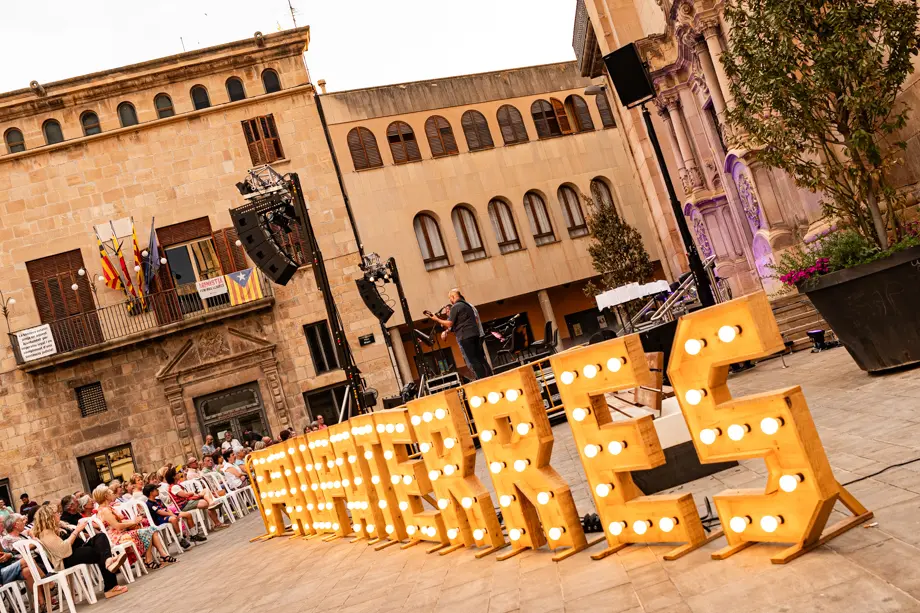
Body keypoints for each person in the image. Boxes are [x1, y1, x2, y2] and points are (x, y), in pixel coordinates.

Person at [32, 505, 126, 600]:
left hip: (76, 549)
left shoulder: (58, 526)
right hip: (66, 559)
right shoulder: (46, 533)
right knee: (97, 552)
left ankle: (108, 561)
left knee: (100, 537)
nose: (59, 514)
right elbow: (63, 550)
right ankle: (110, 583)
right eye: (56, 513)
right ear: (49, 517)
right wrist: (76, 531)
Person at [93, 485, 177, 570]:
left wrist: (134, 521)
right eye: (111, 493)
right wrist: (134, 522)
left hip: (120, 533)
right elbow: (117, 526)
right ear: (106, 496)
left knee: (151, 530)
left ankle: (162, 555)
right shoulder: (105, 511)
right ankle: (150, 560)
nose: (113, 494)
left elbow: (120, 522)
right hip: (116, 537)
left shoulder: (107, 508)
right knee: (148, 531)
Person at [425, 288, 492, 380]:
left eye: (450, 298)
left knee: (473, 360)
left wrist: (436, 319)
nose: (450, 301)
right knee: (479, 358)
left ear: (453, 297)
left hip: (465, 336)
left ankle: (482, 379)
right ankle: (489, 378)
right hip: (475, 334)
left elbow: (449, 323)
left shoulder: (456, 306)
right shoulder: (467, 305)